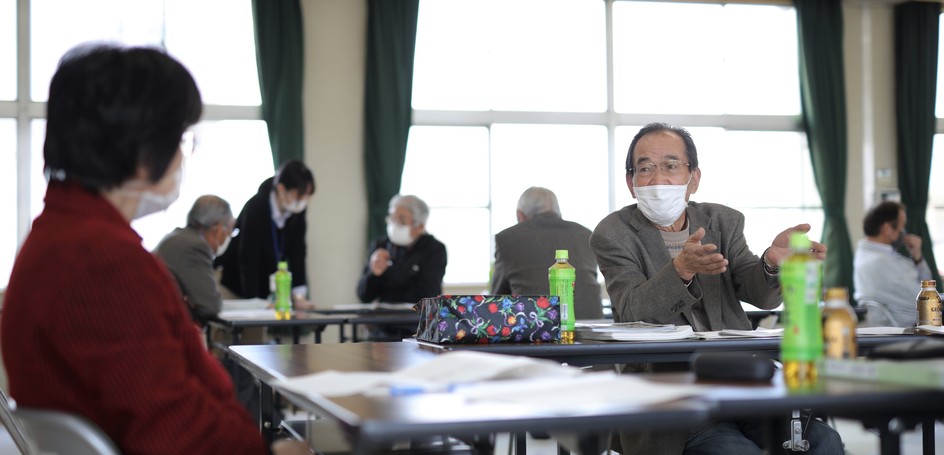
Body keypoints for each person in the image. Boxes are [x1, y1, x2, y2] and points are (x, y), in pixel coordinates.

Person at [0, 43, 307, 454]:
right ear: (140, 148)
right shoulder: (101, 261)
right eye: (180, 138)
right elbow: (175, 431)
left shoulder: (58, 238)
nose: (182, 155)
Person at [590, 123, 842, 455]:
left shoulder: (723, 221)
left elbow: (758, 293)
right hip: (671, 393)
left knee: (824, 441)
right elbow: (632, 308)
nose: (658, 179)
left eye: (670, 165)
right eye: (645, 169)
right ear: (630, 181)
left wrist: (771, 263)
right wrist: (681, 269)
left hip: (742, 384)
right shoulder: (613, 233)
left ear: (693, 178)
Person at [491, 186, 603, 319]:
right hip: (592, 330)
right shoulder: (587, 235)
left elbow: (496, 301)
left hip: (537, 330)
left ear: (520, 215)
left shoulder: (507, 239)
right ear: (558, 212)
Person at [219, 159, 315, 309]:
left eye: (307, 197)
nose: (303, 201)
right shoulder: (256, 207)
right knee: (240, 327)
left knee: (257, 330)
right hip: (236, 283)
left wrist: (299, 296)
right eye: (299, 196)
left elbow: (298, 254)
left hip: (264, 289)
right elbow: (248, 259)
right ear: (282, 189)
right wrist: (254, 302)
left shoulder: (297, 212)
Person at [155, 195, 235, 326]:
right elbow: (210, 304)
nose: (229, 236)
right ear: (217, 228)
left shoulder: (177, 236)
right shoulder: (196, 247)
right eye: (230, 230)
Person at [356, 194, 447, 304]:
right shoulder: (380, 246)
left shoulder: (434, 249)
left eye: (402, 221)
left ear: (420, 227)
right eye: (392, 218)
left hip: (418, 319)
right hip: (383, 318)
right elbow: (364, 296)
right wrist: (373, 273)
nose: (394, 225)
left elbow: (427, 294)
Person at [853, 201, 932, 326]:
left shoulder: (875, 254)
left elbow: (927, 287)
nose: (903, 231)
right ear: (887, 228)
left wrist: (917, 257)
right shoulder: (879, 262)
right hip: (904, 334)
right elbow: (927, 300)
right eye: (902, 226)